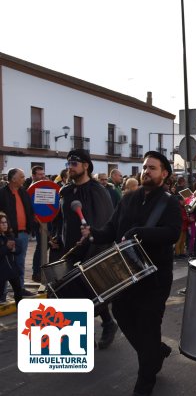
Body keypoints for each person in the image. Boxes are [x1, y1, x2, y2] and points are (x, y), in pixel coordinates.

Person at [81, 151, 181, 396]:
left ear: (164, 174)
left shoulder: (169, 202)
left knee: (148, 326)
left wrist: (142, 232)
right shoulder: (128, 198)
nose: (146, 171)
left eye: (152, 168)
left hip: (154, 277)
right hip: (124, 275)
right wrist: (92, 233)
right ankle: (154, 352)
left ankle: (144, 384)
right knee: (123, 316)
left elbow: (172, 233)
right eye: (145, 167)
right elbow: (112, 228)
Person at [60, 150, 119, 349]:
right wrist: (54, 236)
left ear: (86, 166)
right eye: (68, 163)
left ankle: (100, 328)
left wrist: (94, 246)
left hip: (92, 248)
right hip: (69, 247)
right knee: (73, 291)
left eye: (74, 163)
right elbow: (62, 219)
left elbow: (104, 221)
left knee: (90, 291)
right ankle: (108, 323)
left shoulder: (97, 190)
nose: (70, 166)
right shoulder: (66, 191)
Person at [0, 168, 37, 301]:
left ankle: (19, 289)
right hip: (7, 235)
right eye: (21, 176)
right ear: (13, 179)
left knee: (20, 263)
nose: (24, 178)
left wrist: (30, 226)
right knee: (4, 265)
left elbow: (29, 210)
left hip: (23, 234)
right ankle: (2, 294)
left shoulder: (24, 192)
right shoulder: (2, 193)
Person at [0, 212, 23, 305]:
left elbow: (18, 250)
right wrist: (6, 248)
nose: (4, 224)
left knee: (18, 291)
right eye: (1, 223)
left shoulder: (9, 235)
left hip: (11, 269)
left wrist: (14, 249)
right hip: (1, 271)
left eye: (5, 222)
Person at [29, 165, 46, 283]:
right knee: (40, 247)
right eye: (39, 174)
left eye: (43, 174)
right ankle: (36, 272)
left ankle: (40, 272)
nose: (42, 176)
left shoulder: (43, 186)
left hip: (45, 220)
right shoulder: (31, 188)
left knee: (43, 247)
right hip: (38, 222)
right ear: (33, 175)